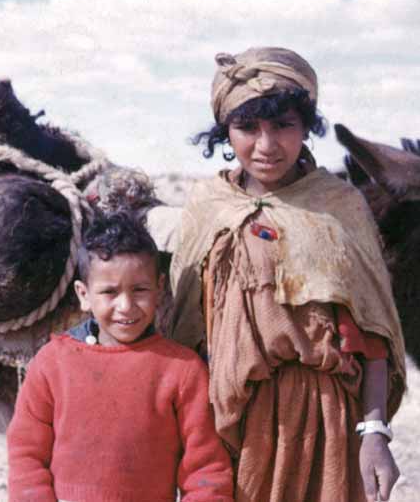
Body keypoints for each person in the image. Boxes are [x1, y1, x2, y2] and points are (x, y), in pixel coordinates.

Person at [169, 47, 407, 502]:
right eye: (247, 128)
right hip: (224, 421)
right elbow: (183, 328)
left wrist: (375, 432)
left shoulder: (339, 207)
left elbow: (373, 336)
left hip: (321, 421)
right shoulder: (207, 205)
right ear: (225, 131)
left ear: (306, 127)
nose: (266, 145)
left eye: (283, 126)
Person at [7, 211, 234, 502]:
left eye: (139, 290)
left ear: (159, 288)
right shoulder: (52, 363)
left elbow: (206, 470)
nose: (126, 306)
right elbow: (27, 455)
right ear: (84, 294)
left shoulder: (182, 370)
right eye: (110, 292)